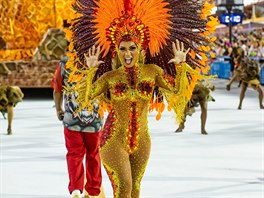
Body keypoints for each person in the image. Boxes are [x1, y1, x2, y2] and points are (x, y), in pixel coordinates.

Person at [65, 0, 217, 197]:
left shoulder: (153, 72)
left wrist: (180, 66)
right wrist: (91, 69)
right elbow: (86, 98)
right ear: (116, 51)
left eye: (132, 48)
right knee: (124, 188)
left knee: (135, 190)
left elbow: (177, 90)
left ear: (141, 49)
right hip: (112, 141)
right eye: (123, 49)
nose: (127, 54)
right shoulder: (110, 77)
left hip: (142, 141)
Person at [51, 56, 105, 198]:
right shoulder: (102, 60)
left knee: (74, 154)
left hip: (71, 120)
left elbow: (57, 88)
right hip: (94, 119)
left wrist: (58, 109)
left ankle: (76, 188)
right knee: (94, 154)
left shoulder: (64, 63)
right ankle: (93, 190)